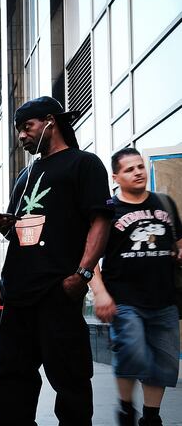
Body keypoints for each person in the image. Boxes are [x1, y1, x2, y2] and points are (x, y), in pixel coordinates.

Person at [0, 96, 112, 425]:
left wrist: (82, 274)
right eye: (18, 129)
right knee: (13, 380)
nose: (21, 136)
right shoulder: (24, 177)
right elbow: (25, 234)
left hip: (58, 291)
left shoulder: (83, 164)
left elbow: (101, 221)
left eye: (27, 127)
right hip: (18, 295)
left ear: (50, 122)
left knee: (70, 382)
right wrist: (7, 227)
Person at [89, 148, 181, 426]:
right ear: (116, 177)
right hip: (125, 301)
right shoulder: (108, 211)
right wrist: (100, 292)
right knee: (133, 352)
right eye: (129, 169)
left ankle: (151, 417)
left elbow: (178, 241)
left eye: (140, 166)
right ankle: (127, 407)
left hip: (164, 299)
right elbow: (90, 256)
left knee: (163, 362)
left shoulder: (164, 203)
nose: (138, 172)